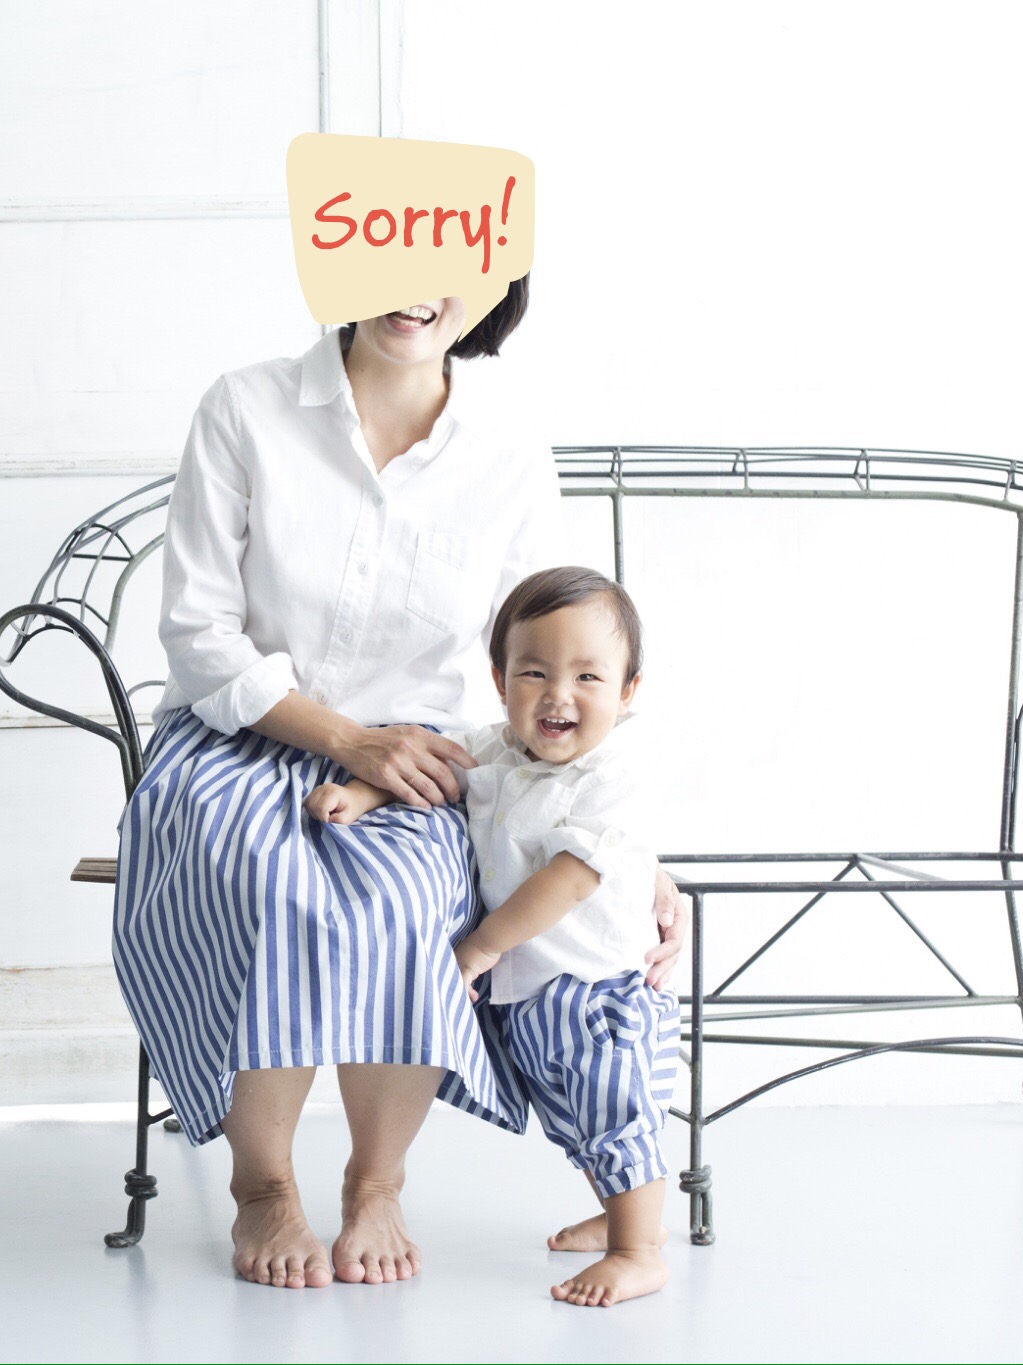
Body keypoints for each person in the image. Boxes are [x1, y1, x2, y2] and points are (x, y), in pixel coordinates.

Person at [112, 287, 686, 1290]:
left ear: (490, 280)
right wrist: (345, 740)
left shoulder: (506, 448)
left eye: (444, 261)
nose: (413, 287)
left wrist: (629, 858)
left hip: (424, 751)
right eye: (390, 253)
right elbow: (199, 635)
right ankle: (263, 1184)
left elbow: (551, 670)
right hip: (240, 731)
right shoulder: (245, 407)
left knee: (414, 900)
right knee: (266, 882)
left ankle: (375, 1180)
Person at [307, 566, 676, 1307]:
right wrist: (360, 794)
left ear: (628, 690)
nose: (558, 695)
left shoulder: (611, 778)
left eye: (588, 677)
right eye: (534, 672)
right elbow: (429, 769)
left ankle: (639, 1248)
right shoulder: (496, 749)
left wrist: (480, 946)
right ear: (500, 680)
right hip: (534, 992)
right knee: (572, 1118)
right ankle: (618, 1216)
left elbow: (568, 879)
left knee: (614, 1113)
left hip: (597, 990)